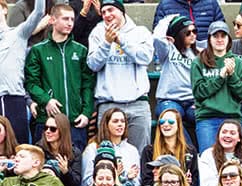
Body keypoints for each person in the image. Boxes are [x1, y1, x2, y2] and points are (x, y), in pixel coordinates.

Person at [25, 4, 95, 151]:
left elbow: (87, 85)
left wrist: (86, 113)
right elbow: (31, 83)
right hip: (48, 122)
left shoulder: (80, 51)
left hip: (75, 121)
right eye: (65, 19)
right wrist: (46, 100)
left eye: (72, 19)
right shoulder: (38, 50)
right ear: (52, 20)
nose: (70, 23)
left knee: (74, 169)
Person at [86, 0, 153, 152]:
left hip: (138, 104)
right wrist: (106, 43)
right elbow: (92, 64)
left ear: (122, 11)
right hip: (109, 104)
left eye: (111, 10)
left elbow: (146, 58)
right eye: (103, 12)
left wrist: (121, 41)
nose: (107, 15)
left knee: (140, 153)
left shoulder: (140, 32)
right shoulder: (97, 32)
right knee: (107, 154)